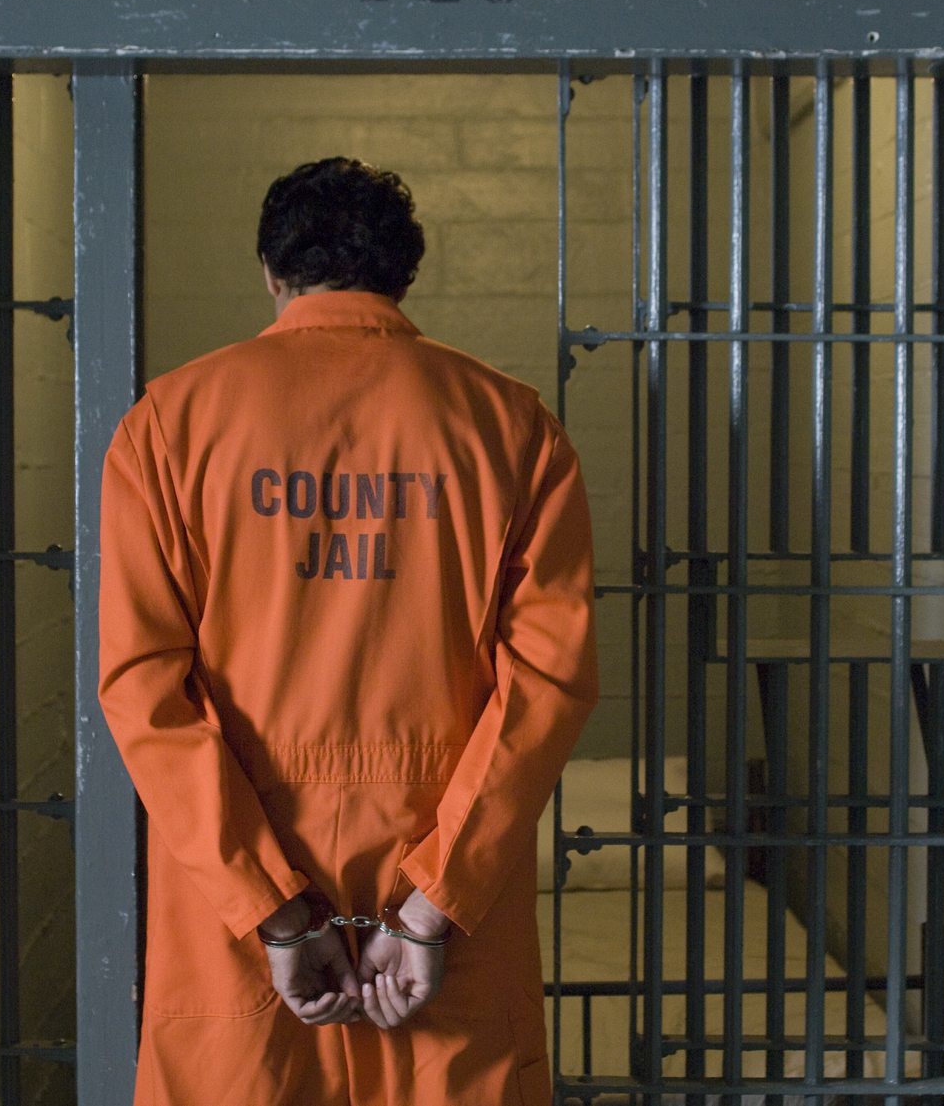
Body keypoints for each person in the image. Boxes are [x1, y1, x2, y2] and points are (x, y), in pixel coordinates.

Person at [97, 157, 598, 1106]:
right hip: (445, 906)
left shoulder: (169, 427)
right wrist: (431, 905)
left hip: (237, 906)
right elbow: (549, 683)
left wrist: (278, 912)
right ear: (400, 278)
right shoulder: (514, 428)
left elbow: (143, 690)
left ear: (272, 273)